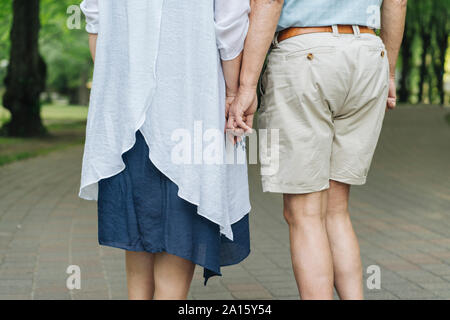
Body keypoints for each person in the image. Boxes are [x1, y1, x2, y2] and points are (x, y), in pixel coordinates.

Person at [227, 0, 407, 299]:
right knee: (336, 210)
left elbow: (269, 2)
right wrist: (387, 73)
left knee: (306, 213)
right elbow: (397, 2)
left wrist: (246, 86)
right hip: (368, 53)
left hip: (305, 54)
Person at [79, 0, 251, 300]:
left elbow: (95, 22)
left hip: (126, 120)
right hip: (188, 106)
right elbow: (230, 23)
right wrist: (234, 92)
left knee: (139, 247)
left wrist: (124, 89)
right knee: (177, 242)